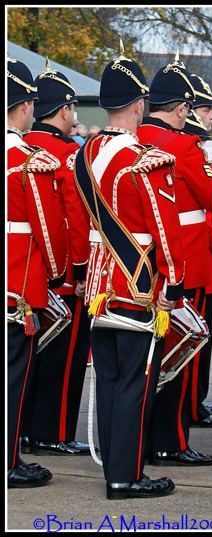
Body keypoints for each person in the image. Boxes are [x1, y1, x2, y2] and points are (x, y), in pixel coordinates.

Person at [74, 44, 187, 499]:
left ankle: (116, 470)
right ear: (139, 104)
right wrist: (173, 282)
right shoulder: (145, 159)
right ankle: (126, 476)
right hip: (136, 287)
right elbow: (164, 228)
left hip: (100, 285)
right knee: (133, 386)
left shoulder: (86, 154)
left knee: (109, 381)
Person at [137, 54, 212, 467]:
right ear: (182, 108)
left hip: (140, 262)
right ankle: (172, 440)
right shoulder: (185, 145)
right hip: (186, 260)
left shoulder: (135, 139)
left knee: (150, 356)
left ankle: (147, 438)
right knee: (181, 356)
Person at [21, 59, 93, 458]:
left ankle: (27, 429)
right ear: (64, 110)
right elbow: (76, 220)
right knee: (65, 360)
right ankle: (55, 431)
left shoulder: (24, 146)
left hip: (28, 271)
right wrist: (80, 268)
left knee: (31, 358)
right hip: (64, 270)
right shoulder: (68, 154)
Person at [7, 57, 68, 488]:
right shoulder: (28, 159)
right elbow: (47, 231)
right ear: (25, 106)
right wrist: (56, 271)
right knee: (12, 376)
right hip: (17, 281)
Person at [184, 70, 212, 429]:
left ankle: (192, 403)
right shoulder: (192, 145)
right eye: (206, 109)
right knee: (196, 335)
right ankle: (190, 405)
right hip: (197, 252)